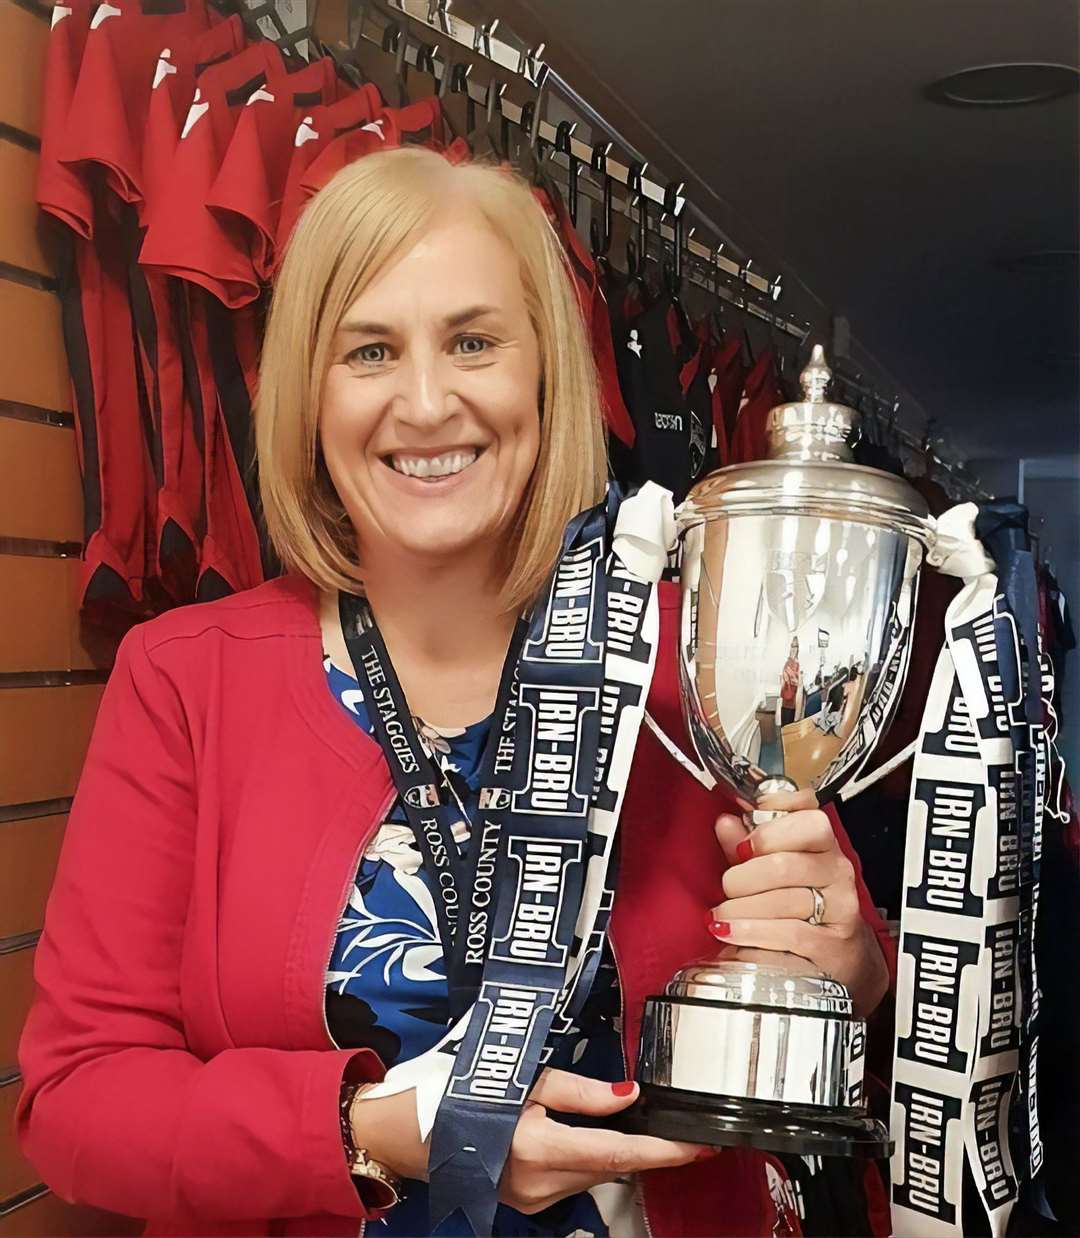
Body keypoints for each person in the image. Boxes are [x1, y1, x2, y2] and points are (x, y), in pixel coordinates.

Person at [16, 148, 893, 1237]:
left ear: (544, 375)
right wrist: (373, 1128)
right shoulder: (185, 677)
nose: (426, 402)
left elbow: (850, 981)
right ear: (310, 392)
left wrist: (845, 959)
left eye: (473, 341)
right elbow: (77, 1105)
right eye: (370, 350)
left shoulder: (698, 659)